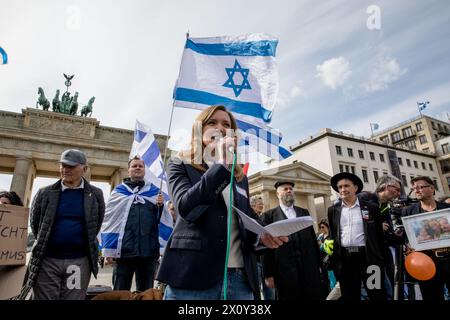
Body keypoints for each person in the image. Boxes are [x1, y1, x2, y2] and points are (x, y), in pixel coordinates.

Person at [156, 105, 288, 300]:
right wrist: (220, 164)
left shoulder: (240, 176)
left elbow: (246, 218)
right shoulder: (179, 163)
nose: (220, 127)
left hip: (240, 281)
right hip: (193, 275)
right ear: (199, 129)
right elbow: (186, 208)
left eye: (226, 124)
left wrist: (263, 236)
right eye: (212, 122)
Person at [18, 149, 105, 300]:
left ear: (84, 169)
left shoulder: (96, 194)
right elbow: (36, 224)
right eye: (63, 165)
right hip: (48, 262)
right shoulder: (44, 193)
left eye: (71, 166)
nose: (65, 170)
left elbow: (95, 224)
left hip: (78, 263)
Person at [102, 155, 164, 292]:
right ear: (128, 170)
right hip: (124, 252)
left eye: (140, 166)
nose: (137, 168)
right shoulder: (118, 192)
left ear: (144, 170)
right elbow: (109, 221)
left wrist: (160, 206)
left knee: (145, 292)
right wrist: (108, 250)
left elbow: (161, 221)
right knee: (120, 291)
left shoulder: (155, 192)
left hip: (148, 252)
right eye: (134, 166)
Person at [261, 181, 327, 300]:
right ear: (277, 194)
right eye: (285, 189)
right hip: (285, 272)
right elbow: (266, 249)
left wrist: (319, 265)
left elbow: (312, 240)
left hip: (309, 269)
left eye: (291, 188)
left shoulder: (304, 212)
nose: (289, 191)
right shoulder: (268, 216)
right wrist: (268, 274)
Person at [327, 172, 387, 301]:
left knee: (376, 293)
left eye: (346, 186)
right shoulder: (333, 210)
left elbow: (379, 237)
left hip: (369, 259)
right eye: (340, 187)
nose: (343, 189)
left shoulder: (371, 208)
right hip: (345, 262)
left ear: (355, 188)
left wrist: (380, 260)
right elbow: (333, 234)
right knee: (350, 296)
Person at [402, 176, 450, 300]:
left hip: (448, 257)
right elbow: (407, 237)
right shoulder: (408, 211)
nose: (417, 190)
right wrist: (408, 246)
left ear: (432, 188)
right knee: (431, 296)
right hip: (426, 262)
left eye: (420, 187)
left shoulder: (446, 209)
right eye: (414, 188)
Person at [358, 174, 404, 299]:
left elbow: (388, 233)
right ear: (387, 186)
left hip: (382, 255)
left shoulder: (385, 206)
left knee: (387, 292)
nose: (399, 193)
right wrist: (376, 224)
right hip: (369, 256)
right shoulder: (364, 198)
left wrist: (401, 238)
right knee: (375, 291)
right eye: (397, 189)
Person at [250, 194, 275, 300]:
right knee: (255, 294)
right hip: (255, 262)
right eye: (259, 204)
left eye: (262, 204)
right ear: (252, 206)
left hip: (266, 262)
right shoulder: (249, 221)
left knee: (270, 294)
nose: (261, 206)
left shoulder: (265, 219)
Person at [317, 219, 337, 292]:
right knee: (325, 280)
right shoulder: (320, 236)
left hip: (330, 261)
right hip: (323, 261)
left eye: (323, 227)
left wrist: (322, 245)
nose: (321, 229)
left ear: (327, 227)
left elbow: (331, 250)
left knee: (333, 280)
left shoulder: (332, 236)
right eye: (320, 227)